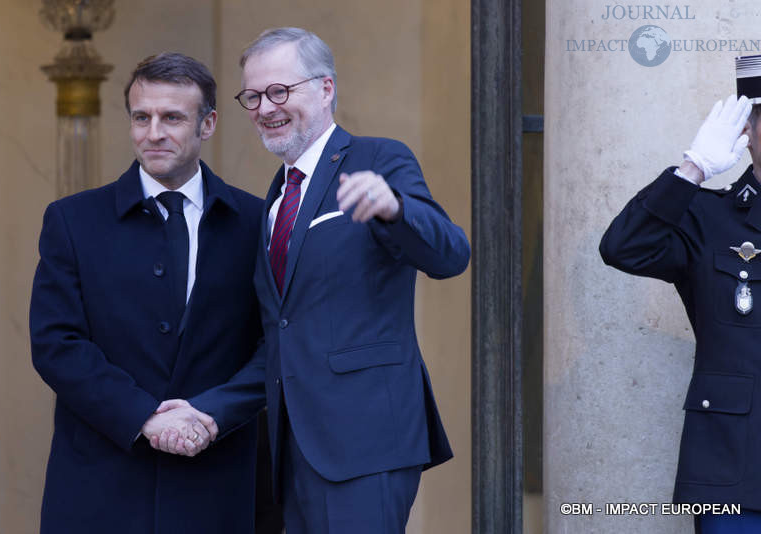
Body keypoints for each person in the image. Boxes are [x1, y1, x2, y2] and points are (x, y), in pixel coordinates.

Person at [200, 27, 470, 533]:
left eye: (280, 91)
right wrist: (210, 410)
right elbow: (282, 334)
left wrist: (395, 208)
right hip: (292, 449)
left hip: (366, 442)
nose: (265, 107)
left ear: (325, 89)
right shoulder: (276, 197)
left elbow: (451, 254)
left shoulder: (378, 159)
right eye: (253, 96)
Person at [29, 53, 265, 533]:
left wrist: (212, 415)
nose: (153, 132)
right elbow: (56, 343)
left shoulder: (257, 222)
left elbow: (277, 346)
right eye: (142, 117)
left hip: (218, 486)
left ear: (209, 123)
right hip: (100, 485)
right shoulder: (73, 221)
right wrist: (144, 417)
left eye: (172, 117)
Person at [600, 55, 761, 533]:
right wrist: (692, 170)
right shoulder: (709, 219)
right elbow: (622, 248)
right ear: (748, 130)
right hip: (737, 477)